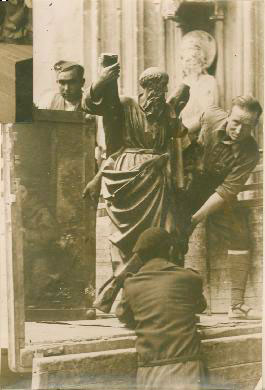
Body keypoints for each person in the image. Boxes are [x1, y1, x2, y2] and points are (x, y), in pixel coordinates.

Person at [82, 61, 190, 271]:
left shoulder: (166, 111)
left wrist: (179, 104)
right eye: (156, 88)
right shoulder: (126, 105)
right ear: (146, 88)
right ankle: (126, 287)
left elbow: (180, 132)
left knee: (161, 234)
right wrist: (101, 81)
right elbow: (92, 105)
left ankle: (152, 281)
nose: (161, 92)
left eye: (164, 88)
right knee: (127, 240)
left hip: (157, 181)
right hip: (129, 178)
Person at [184, 95, 263, 320]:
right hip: (188, 182)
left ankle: (236, 306)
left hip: (216, 192)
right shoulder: (210, 115)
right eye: (236, 122)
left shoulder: (249, 152)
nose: (238, 130)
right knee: (171, 228)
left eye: (247, 127)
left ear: (255, 127)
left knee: (239, 232)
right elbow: (180, 135)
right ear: (229, 114)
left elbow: (226, 191)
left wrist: (196, 218)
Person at [116, 227, 207, 390]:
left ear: (141, 256)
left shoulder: (131, 284)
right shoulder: (190, 278)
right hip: (187, 369)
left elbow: (124, 316)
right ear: (171, 249)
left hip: (149, 371)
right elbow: (200, 306)